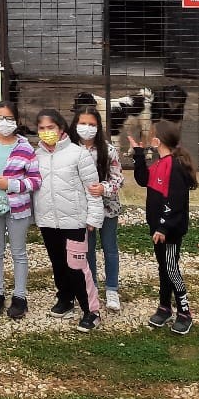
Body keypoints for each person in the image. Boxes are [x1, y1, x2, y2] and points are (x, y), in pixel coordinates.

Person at [31, 108, 103, 333]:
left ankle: (91, 310)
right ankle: (65, 298)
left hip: (74, 221)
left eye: (50, 127)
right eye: (41, 128)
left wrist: (93, 217)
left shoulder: (78, 154)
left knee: (78, 266)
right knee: (58, 263)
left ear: (61, 128)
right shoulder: (36, 155)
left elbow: (92, 189)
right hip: (48, 220)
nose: (46, 132)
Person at [0, 101, 41, 321]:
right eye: (0, 117)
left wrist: (12, 185)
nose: (4, 123)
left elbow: (35, 180)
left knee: (18, 253)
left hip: (18, 208)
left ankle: (20, 296)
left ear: (17, 121)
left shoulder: (25, 148)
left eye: (9, 118)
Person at [133, 121, 198, 335]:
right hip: (158, 228)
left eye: (151, 135)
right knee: (163, 266)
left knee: (171, 268)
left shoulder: (175, 166)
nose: (149, 137)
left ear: (157, 140)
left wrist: (163, 226)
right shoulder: (160, 163)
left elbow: (176, 202)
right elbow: (143, 180)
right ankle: (164, 306)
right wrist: (139, 154)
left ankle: (184, 312)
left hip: (169, 230)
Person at [74, 105, 123, 312]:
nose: (87, 128)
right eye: (83, 123)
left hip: (107, 208)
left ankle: (112, 288)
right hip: (82, 210)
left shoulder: (108, 150)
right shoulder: (71, 150)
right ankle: (90, 286)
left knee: (110, 248)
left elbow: (119, 179)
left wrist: (104, 187)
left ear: (99, 126)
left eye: (91, 124)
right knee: (88, 250)